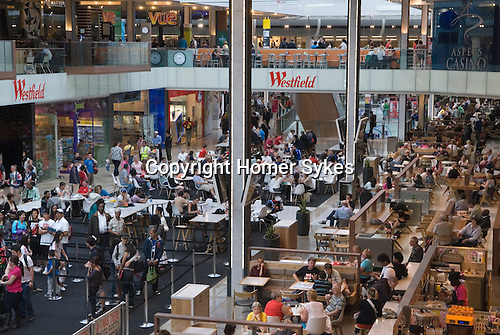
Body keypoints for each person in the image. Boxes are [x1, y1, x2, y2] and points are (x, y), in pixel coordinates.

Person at [11, 245, 35, 322]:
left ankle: (30, 314)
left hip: (26, 281)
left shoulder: (26, 258)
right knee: (19, 298)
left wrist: (31, 280)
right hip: (18, 282)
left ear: (18, 251)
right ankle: (22, 313)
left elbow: (31, 269)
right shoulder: (14, 260)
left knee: (26, 298)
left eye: (13, 252)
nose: (12, 254)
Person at [0, 255, 23, 331]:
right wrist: (6, 276)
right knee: (8, 307)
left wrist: (2, 282)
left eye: (9, 261)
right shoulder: (12, 268)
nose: (8, 262)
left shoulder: (16, 270)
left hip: (15, 292)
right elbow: (8, 273)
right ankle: (9, 323)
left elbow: (10, 282)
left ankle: (15, 323)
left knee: (14, 307)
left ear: (12, 262)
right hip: (10, 291)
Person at [143, 226, 164, 295]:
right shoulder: (147, 240)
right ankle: (139, 288)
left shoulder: (160, 241)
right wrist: (148, 259)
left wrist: (157, 259)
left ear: (155, 233)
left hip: (155, 260)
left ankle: (155, 289)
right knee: (144, 274)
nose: (150, 235)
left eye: (152, 233)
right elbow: (145, 250)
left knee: (155, 274)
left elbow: (160, 251)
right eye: (150, 233)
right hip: (148, 260)